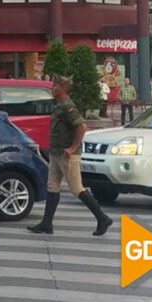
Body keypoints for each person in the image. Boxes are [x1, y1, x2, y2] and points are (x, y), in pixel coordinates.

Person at [28, 75, 112, 237]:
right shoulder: (59, 106)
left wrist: (73, 148)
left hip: (67, 155)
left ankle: (102, 218)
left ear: (64, 89)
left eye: (56, 86)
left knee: (76, 188)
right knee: (52, 186)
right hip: (56, 152)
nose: (52, 88)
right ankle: (47, 223)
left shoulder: (68, 106)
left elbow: (81, 127)